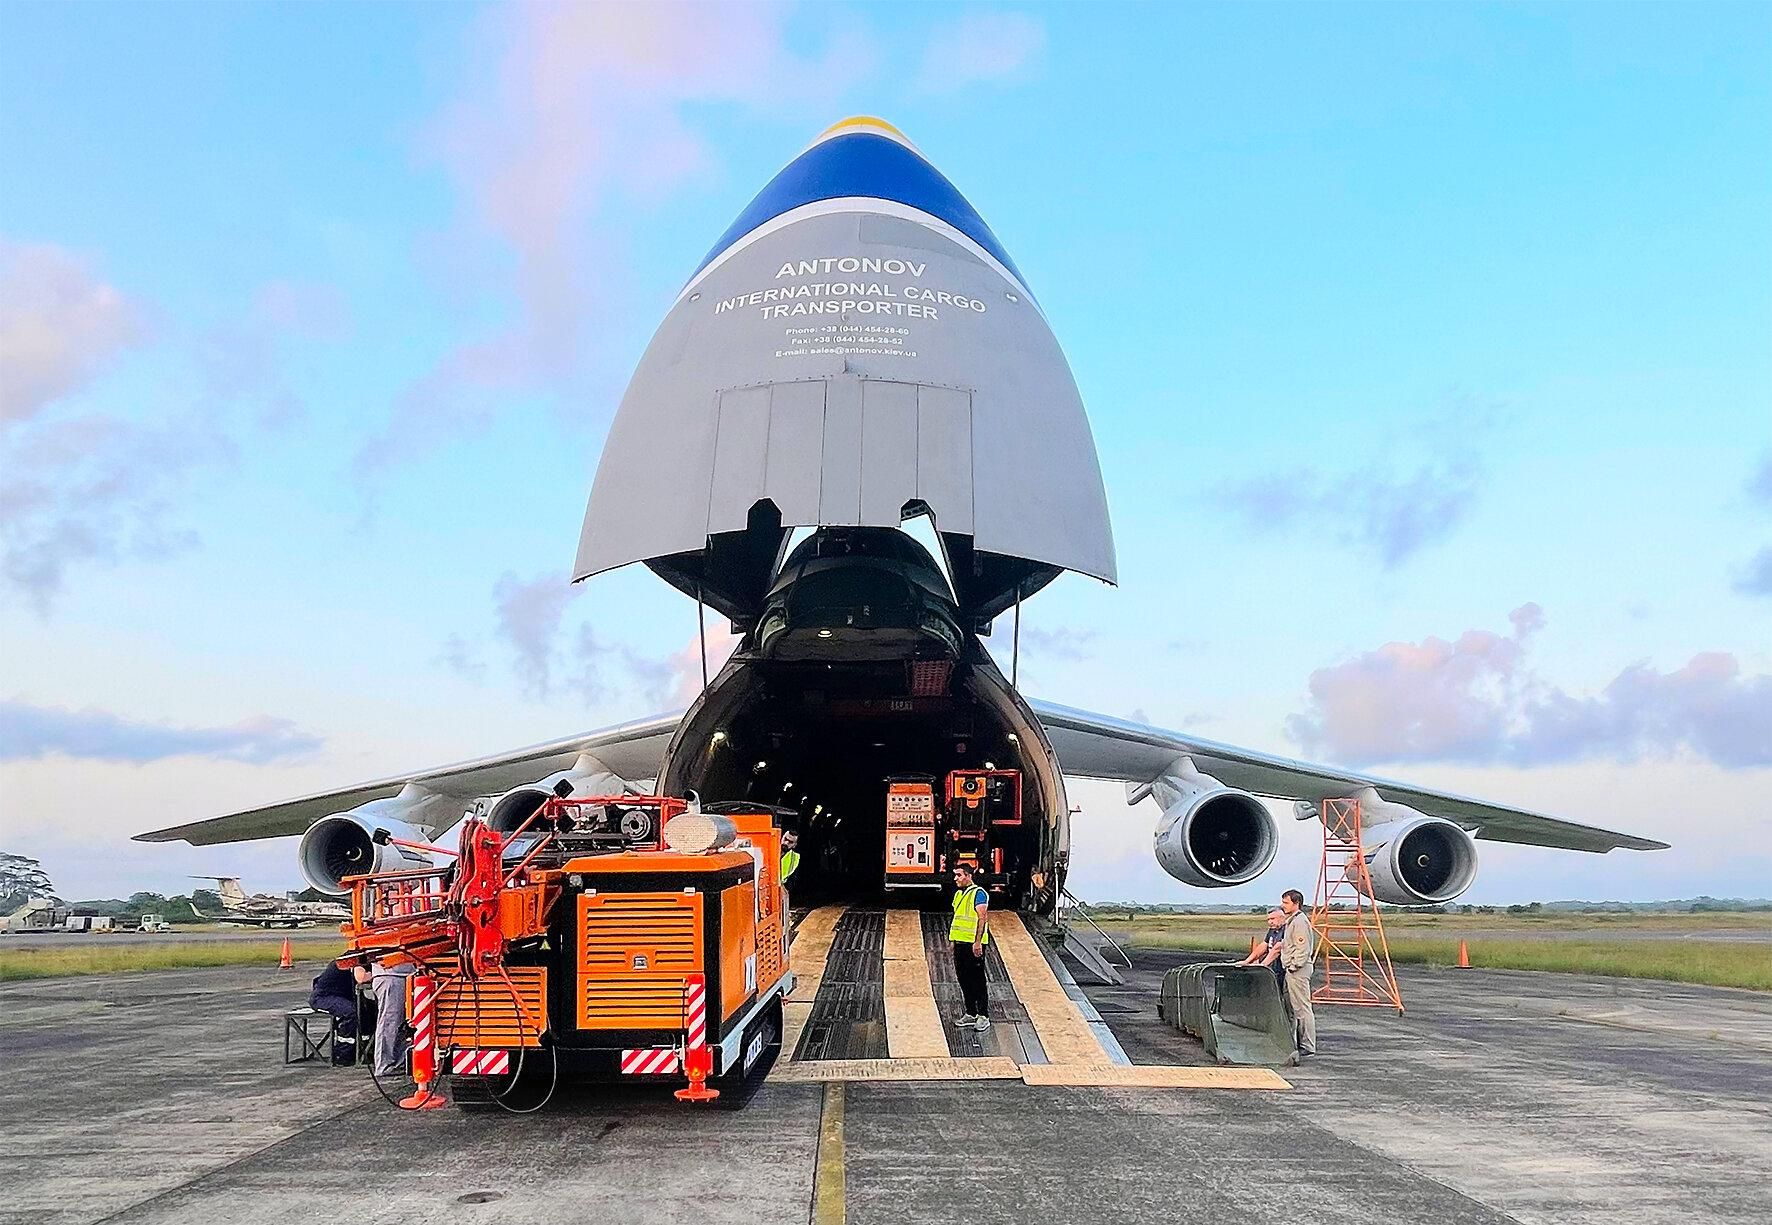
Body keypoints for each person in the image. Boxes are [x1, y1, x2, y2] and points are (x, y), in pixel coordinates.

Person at [949, 861, 991, 1031]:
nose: (956, 878)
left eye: (959, 875)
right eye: (955, 875)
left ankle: (983, 1015)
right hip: (960, 943)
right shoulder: (959, 895)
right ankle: (971, 1013)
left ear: (968, 876)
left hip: (973, 945)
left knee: (977, 979)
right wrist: (953, 942)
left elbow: (982, 918)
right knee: (963, 978)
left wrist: (978, 942)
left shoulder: (979, 893)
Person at [1278, 889, 1317, 1055]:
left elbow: (1302, 947)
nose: (1283, 905)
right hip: (1292, 969)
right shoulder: (1293, 921)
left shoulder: (1299, 922)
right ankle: (1297, 1042)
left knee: (1302, 1008)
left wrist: (1294, 965)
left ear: (1296, 903)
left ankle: (1307, 1045)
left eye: (1286, 903)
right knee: (1293, 1007)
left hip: (1298, 970)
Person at [369, 957, 416, 1080]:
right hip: (391, 976)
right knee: (389, 1023)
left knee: (400, 1024)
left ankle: (397, 1062)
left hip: (402, 975)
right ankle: (384, 1065)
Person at [1237, 909, 1288, 987]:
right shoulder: (1272, 930)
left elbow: (1277, 949)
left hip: (1285, 969)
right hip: (1274, 968)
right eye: (1268, 919)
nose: (1270, 922)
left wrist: (1262, 966)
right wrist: (1247, 961)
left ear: (1282, 918)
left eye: (1273, 919)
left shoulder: (1287, 930)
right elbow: (1264, 945)